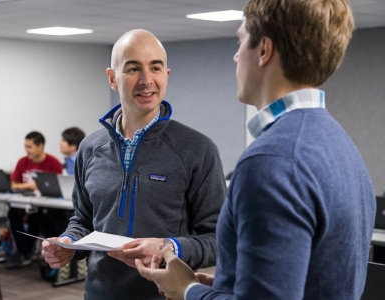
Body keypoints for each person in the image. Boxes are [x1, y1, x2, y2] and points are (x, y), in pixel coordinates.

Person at [135, 1, 376, 299]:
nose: (236, 56)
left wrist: (187, 291)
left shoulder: (272, 161)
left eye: (240, 41)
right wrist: (222, 286)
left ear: (263, 50)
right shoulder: (341, 146)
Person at [41, 29, 226, 299]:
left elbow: (220, 239)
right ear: (112, 78)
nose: (146, 80)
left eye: (155, 67)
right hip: (99, 293)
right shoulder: (90, 148)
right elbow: (83, 220)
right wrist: (69, 242)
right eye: (132, 68)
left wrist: (168, 247)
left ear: (167, 75)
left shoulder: (198, 149)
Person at [7, 131, 62, 268]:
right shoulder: (22, 161)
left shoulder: (53, 162)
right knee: (12, 213)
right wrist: (31, 186)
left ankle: (24, 252)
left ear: (40, 146)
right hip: (24, 202)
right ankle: (23, 251)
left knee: (37, 217)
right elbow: (13, 184)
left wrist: (26, 186)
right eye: (25, 146)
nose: (27, 150)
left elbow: (58, 186)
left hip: (45, 205)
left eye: (30, 147)